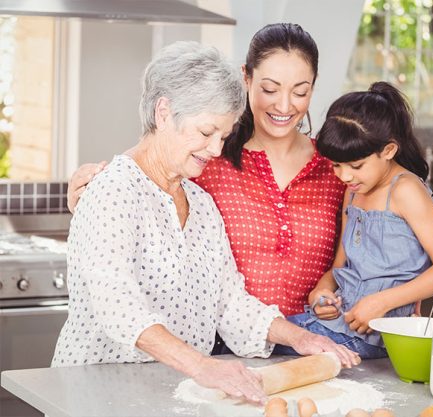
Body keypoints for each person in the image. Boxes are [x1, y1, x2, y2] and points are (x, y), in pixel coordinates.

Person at [51, 41, 359, 405]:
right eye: (205, 132)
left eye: (224, 136)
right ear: (163, 112)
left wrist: (299, 338)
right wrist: (202, 366)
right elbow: (118, 307)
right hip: (98, 393)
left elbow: (229, 302)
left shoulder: (201, 204)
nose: (215, 149)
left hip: (171, 394)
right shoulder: (112, 192)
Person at [67, 23, 346, 321]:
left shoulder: (339, 169)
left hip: (312, 338)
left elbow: (357, 252)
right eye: (269, 89)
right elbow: (143, 184)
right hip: (218, 347)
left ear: (314, 87)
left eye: (300, 91)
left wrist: (330, 288)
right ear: (246, 78)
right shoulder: (208, 157)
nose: (284, 105)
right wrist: (88, 192)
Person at [274, 81, 433, 359]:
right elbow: (340, 267)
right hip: (338, 324)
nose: (344, 176)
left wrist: (380, 303)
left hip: (378, 336)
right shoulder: (353, 193)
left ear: (388, 151)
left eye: (356, 166)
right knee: (263, 335)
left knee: (264, 347)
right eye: (336, 165)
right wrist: (322, 292)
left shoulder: (405, 191)